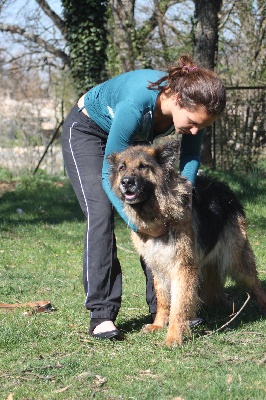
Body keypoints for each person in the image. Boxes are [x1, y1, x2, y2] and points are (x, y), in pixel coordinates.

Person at [62, 54, 226, 340]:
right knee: (101, 213)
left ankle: (162, 310)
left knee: (156, 208)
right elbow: (107, 173)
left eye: (203, 126)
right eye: (192, 123)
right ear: (177, 100)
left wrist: (182, 200)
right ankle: (101, 314)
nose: (195, 130)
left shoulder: (191, 114)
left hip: (130, 147)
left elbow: (189, 156)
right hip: (88, 133)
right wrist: (135, 223)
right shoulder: (136, 106)